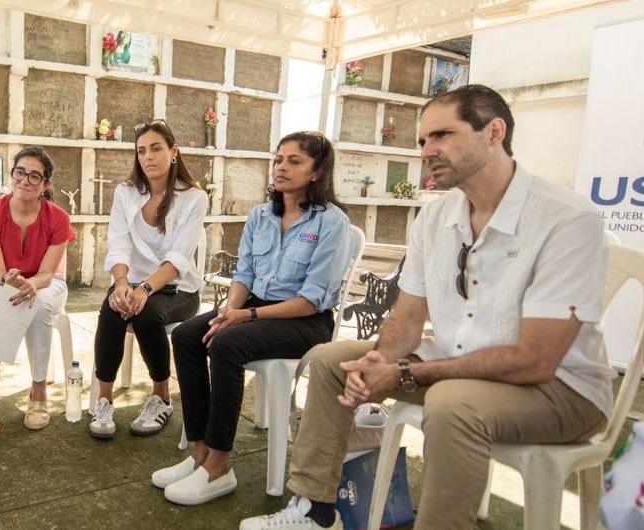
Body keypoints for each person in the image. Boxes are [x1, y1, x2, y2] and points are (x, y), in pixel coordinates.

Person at [239, 85, 613, 530]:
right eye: (422, 141)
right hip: (456, 365)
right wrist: (382, 357)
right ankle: (315, 510)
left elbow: (535, 359)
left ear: (494, 132)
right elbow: (409, 315)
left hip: (559, 390)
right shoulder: (437, 218)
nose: (427, 151)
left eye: (441, 136)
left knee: (453, 405)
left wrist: (404, 373)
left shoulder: (565, 219)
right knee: (330, 360)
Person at [153, 131, 352, 505]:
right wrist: (229, 311)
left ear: (317, 172)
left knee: (227, 343)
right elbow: (244, 274)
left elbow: (311, 300)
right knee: (189, 335)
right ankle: (200, 454)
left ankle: (220, 466)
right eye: (278, 159)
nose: (282, 167)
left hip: (304, 321)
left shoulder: (331, 223)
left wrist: (246, 316)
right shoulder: (261, 215)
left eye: (295, 161)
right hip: (254, 308)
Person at [88, 120, 206, 439]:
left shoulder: (194, 198)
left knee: (147, 314)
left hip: (178, 289)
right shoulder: (126, 192)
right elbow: (118, 243)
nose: (148, 157)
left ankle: (161, 397)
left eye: (156, 148)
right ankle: (103, 401)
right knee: (112, 309)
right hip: (134, 282)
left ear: (173, 153)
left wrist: (144, 290)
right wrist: (122, 284)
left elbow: (179, 258)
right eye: (141, 151)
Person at [0, 146, 74, 435]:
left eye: (34, 176)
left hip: (47, 284)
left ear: (46, 184)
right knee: (10, 298)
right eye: (20, 172)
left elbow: (48, 273)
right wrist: (16, 282)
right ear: (11, 174)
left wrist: (32, 285)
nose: (25, 180)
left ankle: (39, 391)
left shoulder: (58, 218)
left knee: (36, 301)